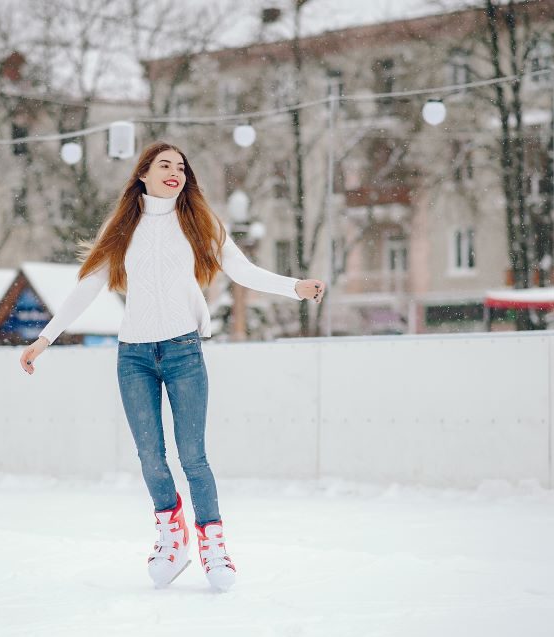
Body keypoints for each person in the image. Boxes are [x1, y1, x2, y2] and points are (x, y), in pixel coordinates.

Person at [18, 142, 325, 591]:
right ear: (143, 174)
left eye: (181, 166)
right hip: (134, 356)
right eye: (165, 165)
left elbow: (243, 271)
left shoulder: (199, 222)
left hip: (183, 351)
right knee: (150, 455)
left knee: (193, 456)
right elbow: (88, 286)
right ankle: (171, 532)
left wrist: (294, 287)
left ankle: (213, 544)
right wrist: (44, 338)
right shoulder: (124, 226)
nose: (175, 172)